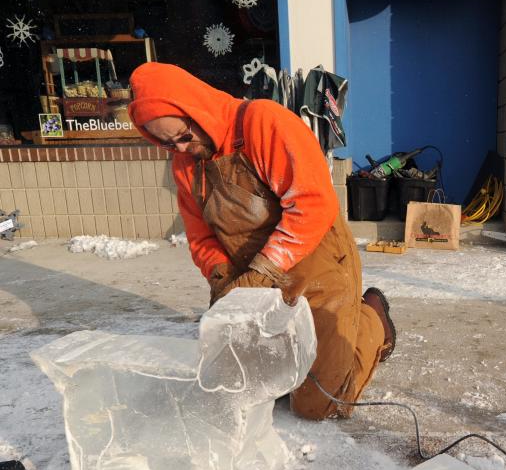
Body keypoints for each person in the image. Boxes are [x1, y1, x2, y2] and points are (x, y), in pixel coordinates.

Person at [128, 62, 395, 419]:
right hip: (252, 275)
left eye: (184, 134)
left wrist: (261, 272)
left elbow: (312, 206)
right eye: (167, 143)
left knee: (319, 405)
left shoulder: (262, 123)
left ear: (195, 108)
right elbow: (200, 235)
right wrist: (223, 278)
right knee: (239, 389)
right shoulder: (184, 163)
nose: (181, 147)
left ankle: (372, 318)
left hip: (314, 260)